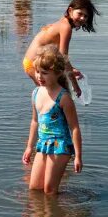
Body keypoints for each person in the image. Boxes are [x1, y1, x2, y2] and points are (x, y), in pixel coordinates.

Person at [22, 45, 82, 195]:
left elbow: (74, 127)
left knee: (49, 190)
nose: (39, 77)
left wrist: (78, 156)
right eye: (37, 72)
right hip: (43, 144)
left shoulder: (64, 98)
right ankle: (43, 214)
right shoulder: (36, 93)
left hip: (60, 145)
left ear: (58, 73)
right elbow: (35, 121)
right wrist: (29, 147)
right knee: (34, 188)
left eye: (45, 73)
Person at [23, 0, 100, 97]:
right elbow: (63, 57)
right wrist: (75, 86)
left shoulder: (63, 21)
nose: (82, 18)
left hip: (38, 63)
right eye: (80, 13)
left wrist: (71, 69)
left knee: (59, 93)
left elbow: (61, 56)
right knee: (55, 96)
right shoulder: (66, 27)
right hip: (35, 65)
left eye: (86, 16)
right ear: (70, 10)